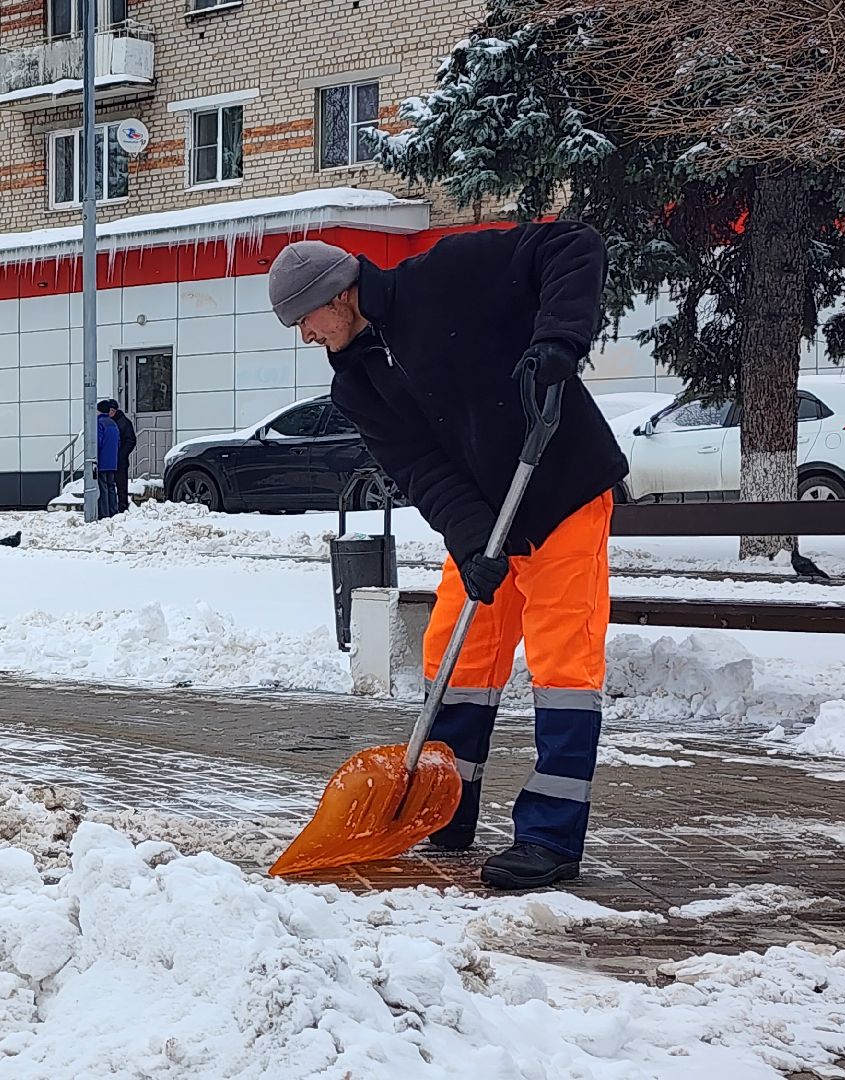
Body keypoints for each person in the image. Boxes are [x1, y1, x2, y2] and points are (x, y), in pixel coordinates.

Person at [266, 223, 629, 891]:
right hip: (489, 519)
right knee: (458, 656)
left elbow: (576, 244)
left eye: (305, 318)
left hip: (561, 487)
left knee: (561, 660)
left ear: (340, 295)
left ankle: (551, 837)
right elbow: (420, 467)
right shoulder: (357, 384)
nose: (305, 335)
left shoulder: (448, 274)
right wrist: (470, 538)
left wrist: (556, 342)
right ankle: (449, 806)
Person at [109, 400, 137, 513]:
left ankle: (122, 506)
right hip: (111, 459)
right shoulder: (109, 422)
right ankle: (113, 506)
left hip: (120, 460)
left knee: (121, 485)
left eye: (112, 410)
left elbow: (131, 441)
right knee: (111, 484)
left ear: (115, 411)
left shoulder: (124, 422)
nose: (110, 413)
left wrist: (121, 454)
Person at [94, 400, 121, 520]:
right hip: (112, 461)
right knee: (111, 486)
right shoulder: (113, 423)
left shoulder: (99, 423)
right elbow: (119, 443)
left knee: (103, 487)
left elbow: (98, 442)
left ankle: (104, 513)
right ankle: (113, 510)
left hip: (102, 460)